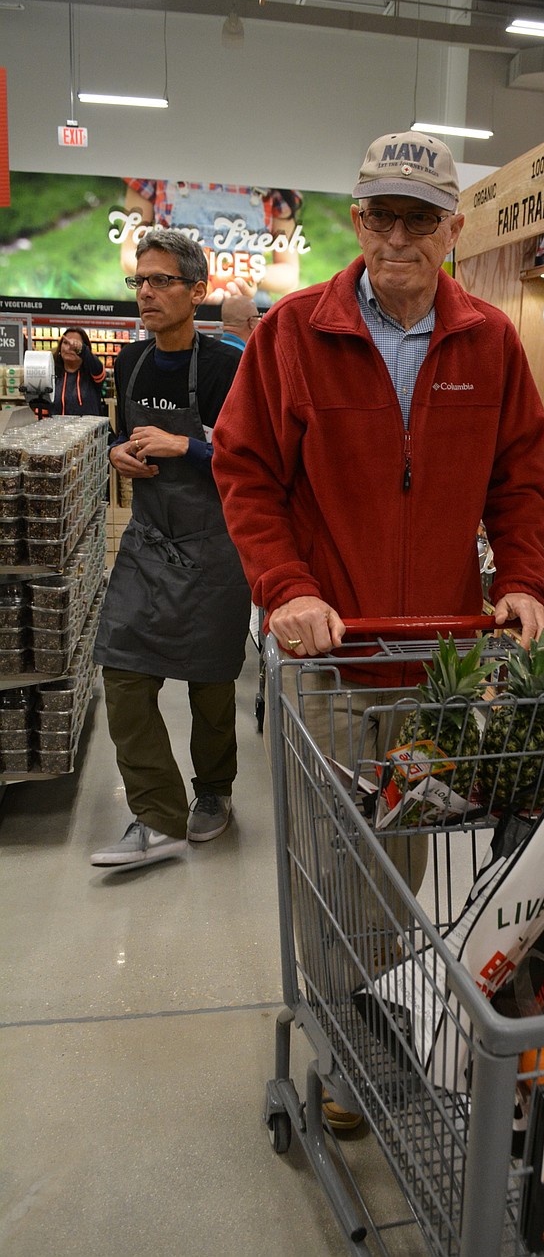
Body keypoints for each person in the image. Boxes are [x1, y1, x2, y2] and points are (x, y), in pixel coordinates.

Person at [212, 130, 544, 1128]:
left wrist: (524, 580)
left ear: (453, 228)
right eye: (381, 215)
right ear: (356, 219)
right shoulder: (290, 335)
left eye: (420, 217)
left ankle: (371, 1018)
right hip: (328, 660)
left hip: (434, 662)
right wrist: (284, 587)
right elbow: (244, 474)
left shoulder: (489, 342)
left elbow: (519, 479)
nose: (398, 236)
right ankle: (344, 1045)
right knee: (333, 863)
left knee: (394, 858)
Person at [91, 228, 251, 871]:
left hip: (216, 546)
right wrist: (118, 452)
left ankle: (214, 792)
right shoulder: (129, 363)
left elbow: (257, 460)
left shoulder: (227, 367)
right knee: (123, 669)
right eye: (140, 281)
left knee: (211, 684)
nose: (147, 294)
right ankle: (156, 813)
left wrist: (187, 446)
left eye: (162, 281)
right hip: (149, 541)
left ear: (198, 291)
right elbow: (126, 436)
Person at [119, 181, 304, 305]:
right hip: (174, 302)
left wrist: (245, 276)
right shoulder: (155, 176)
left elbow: (288, 273)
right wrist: (181, 279)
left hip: (247, 311)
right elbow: (129, 255)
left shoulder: (274, 183)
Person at [51, 328, 106, 416]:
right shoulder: (52, 373)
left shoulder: (92, 371)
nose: (70, 347)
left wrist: (81, 350)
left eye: (75, 344)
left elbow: (99, 369)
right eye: (65, 343)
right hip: (57, 428)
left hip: (88, 428)